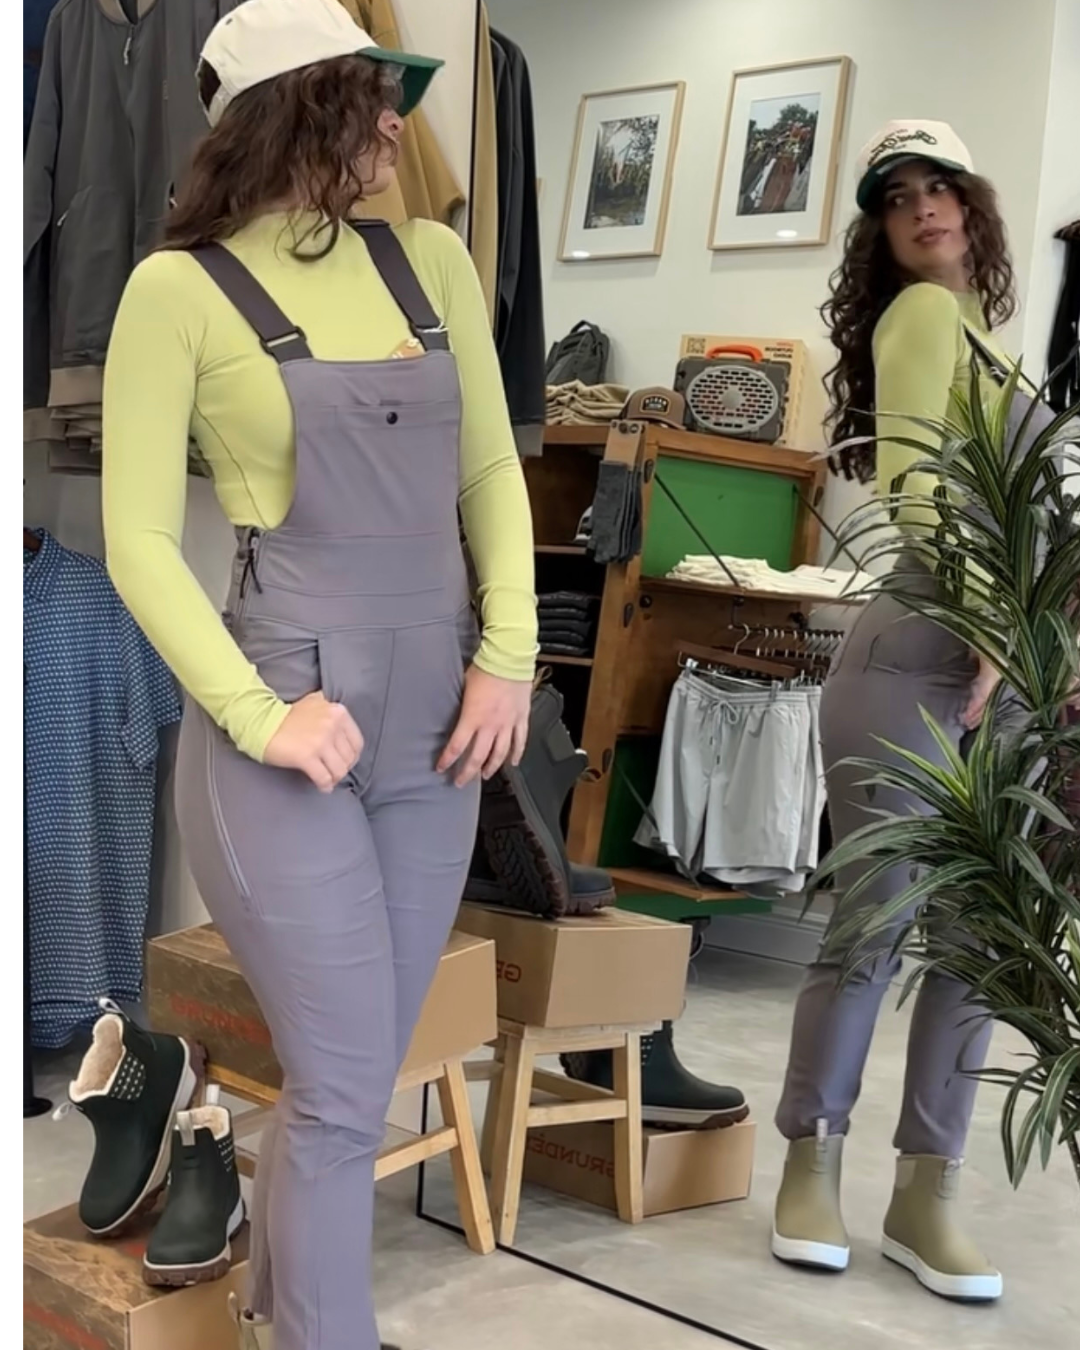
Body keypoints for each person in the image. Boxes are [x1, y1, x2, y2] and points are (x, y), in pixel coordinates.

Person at [101, 2, 537, 1348]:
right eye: (371, 94)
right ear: (293, 109)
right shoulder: (176, 291)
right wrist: (257, 715)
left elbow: (489, 471)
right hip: (286, 722)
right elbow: (135, 541)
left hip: (440, 727)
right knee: (348, 1084)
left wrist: (508, 658)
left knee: (356, 1077)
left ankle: (280, 1307)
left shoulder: (433, 264)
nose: (399, 124)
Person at [771, 120, 1032, 1303]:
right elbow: (919, 482)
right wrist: (985, 619)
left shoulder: (990, 344)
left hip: (1000, 669)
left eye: (940, 187)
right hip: (922, 653)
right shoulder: (922, 316)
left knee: (980, 945)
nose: (922, 208)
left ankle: (928, 1195)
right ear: (882, 232)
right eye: (896, 198)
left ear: (973, 206)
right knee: (874, 926)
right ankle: (810, 1167)